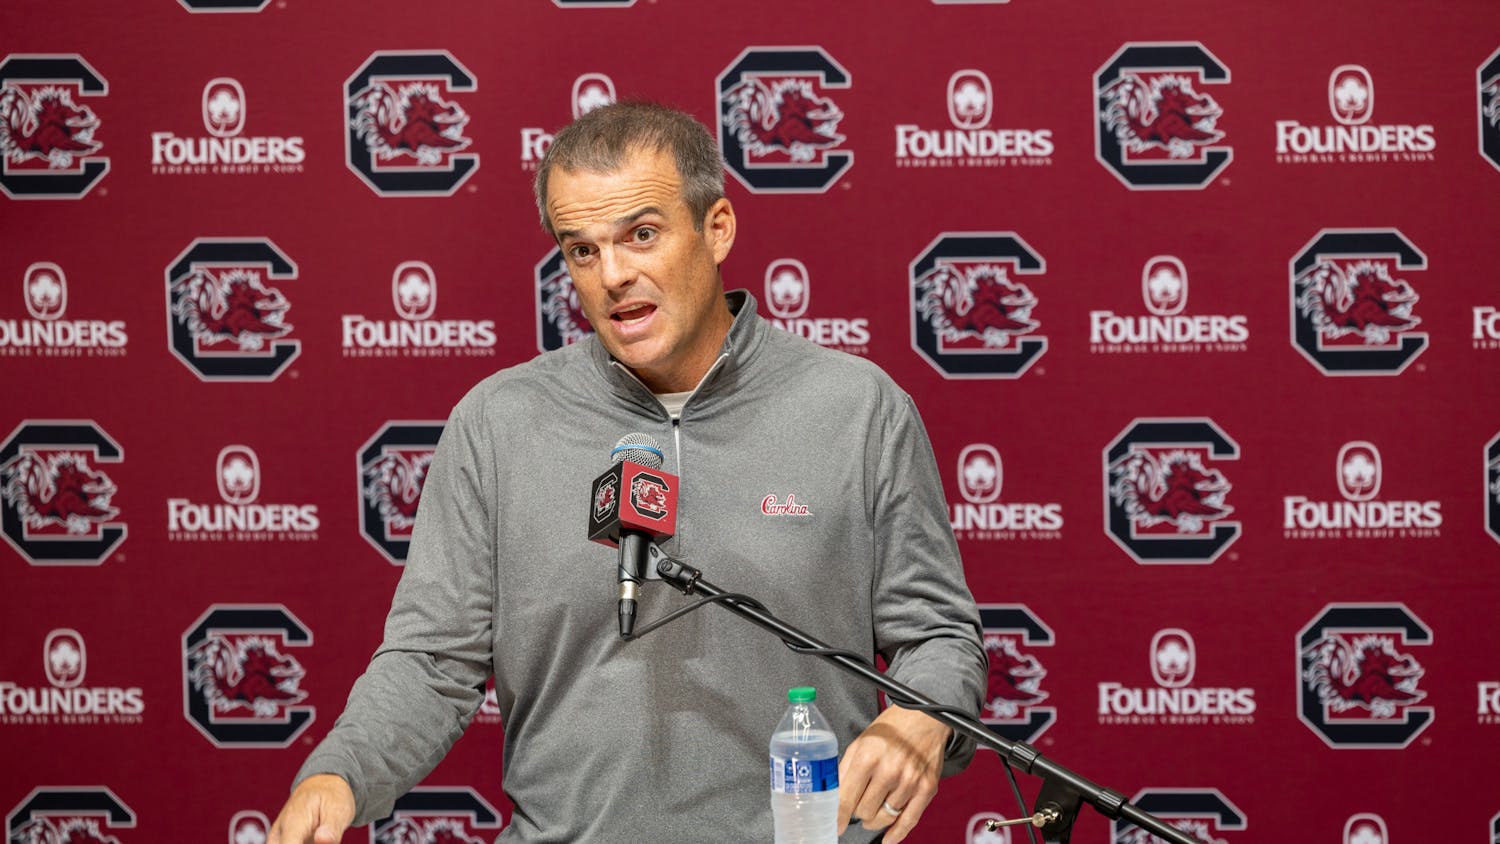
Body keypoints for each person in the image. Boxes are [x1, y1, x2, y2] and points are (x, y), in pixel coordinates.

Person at [268, 101, 986, 844]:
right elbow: (431, 661)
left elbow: (939, 636)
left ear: (717, 229)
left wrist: (923, 712)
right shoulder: (498, 424)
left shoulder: (857, 409)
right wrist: (341, 771)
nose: (613, 275)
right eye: (582, 250)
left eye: (641, 235)